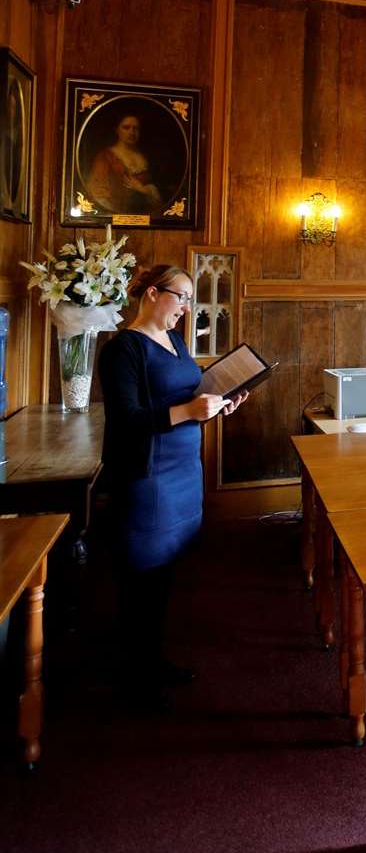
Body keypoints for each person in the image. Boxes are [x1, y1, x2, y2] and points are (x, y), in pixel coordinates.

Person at [99, 264, 247, 710]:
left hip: (184, 469)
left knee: (163, 573)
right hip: (148, 474)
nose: (187, 307)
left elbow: (189, 391)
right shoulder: (122, 349)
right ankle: (133, 677)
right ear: (150, 294)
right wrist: (188, 413)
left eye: (188, 299)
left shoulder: (177, 340)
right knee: (140, 574)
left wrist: (220, 402)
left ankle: (152, 658)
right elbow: (126, 421)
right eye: (180, 297)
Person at [86, 112, 163, 215]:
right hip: (116, 215)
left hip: (145, 216)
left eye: (136, 128)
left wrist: (145, 190)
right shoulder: (106, 156)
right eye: (126, 128)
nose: (131, 132)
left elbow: (163, 193)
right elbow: (97, 192)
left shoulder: (148, 157)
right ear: (117, 130)